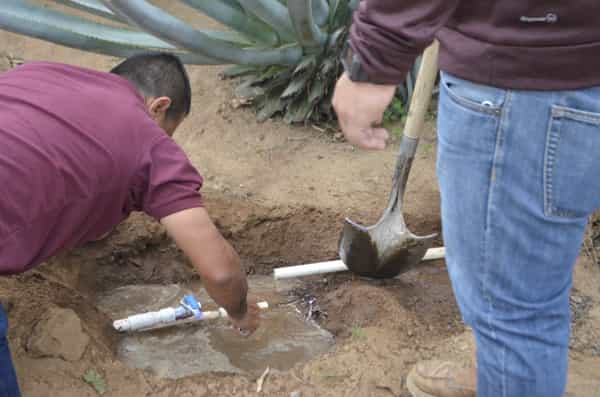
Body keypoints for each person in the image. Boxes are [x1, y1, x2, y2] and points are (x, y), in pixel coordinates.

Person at [333, 2, 600, 397]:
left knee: (515, 314)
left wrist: (372, 61)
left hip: (525, 84)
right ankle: (500, 369)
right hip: (574, 61)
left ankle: (511, 368)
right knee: (530, 291)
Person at [0, 53, 260, 396]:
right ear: (158, 106)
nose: (167, 141)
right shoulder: (150, 144)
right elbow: (220, 272)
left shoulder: (41, 71)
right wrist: (239, 311)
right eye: (170, 131)